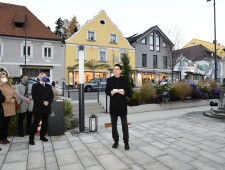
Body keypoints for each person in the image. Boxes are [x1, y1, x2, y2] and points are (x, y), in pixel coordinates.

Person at [105, 64, 130, 150]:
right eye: (114, 69)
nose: (115, 71)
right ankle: (116, 141)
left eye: (117, 69)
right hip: (114, 106)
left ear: (120, 71)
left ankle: (126, 142)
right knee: (114, 126)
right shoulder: (109, 80)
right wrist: (111, 92)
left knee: (124, 125)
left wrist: (124, 92)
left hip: (122, 106)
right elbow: (106, 91)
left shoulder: (125, 80)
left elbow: (129, 91)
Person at [29, 72, 54, 145]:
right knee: (35, 123)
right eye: (43, 76)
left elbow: (51, 96)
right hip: (38, 108)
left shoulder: (48, 86)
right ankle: (31, 138)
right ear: (39, 78)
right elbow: (34, 96)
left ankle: (42, 136)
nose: (45, 78)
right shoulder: (35, 86)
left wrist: (48, 102)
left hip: (46, 107)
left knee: (45, 123)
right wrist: (43, 102)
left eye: (45, 76)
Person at [0, 72, 17, 144]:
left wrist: (14, 98)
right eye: (2, 77)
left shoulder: (9, 84)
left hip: (10, 107)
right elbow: (1, 98)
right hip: (3, 108)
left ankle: (4, 138)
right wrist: (10, 99)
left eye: (5, 76)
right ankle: (1, 139)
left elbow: (15, 93)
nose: (4, 78)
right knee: (2, 125)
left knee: (6, 124)